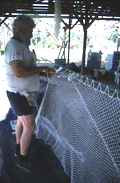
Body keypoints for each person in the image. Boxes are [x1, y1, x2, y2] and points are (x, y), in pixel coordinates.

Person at [4, 15, 53, 172]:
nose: (32, 34)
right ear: (22, 30)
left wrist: (43, 72)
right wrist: (40, 69)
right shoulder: (13, 46)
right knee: (30, 127)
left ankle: (19, 148)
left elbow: (27, 69)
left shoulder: (21, 45)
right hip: (19, 93)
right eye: (31, 31)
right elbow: (18, 72)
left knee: (21, 122)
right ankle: (23, 161)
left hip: (23, 93)